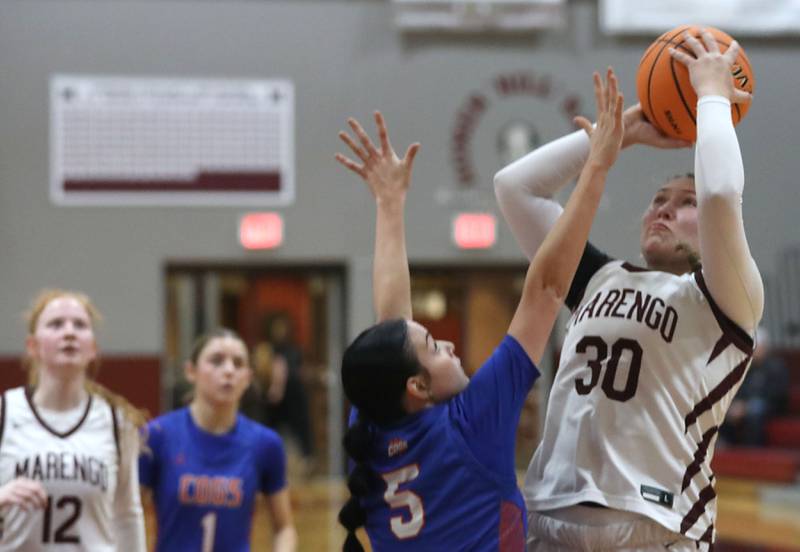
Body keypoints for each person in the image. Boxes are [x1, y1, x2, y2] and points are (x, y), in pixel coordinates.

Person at [334, 68, 625, 551]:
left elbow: (392, 322)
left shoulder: (370, 426)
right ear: (417, 386)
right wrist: (594, 170)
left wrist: (390, 204)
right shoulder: (469, 423)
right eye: (434, 347)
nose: (447, 345)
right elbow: (549, 287)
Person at [494, 30, 764, 550]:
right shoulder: (596, 276)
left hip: (658, 524)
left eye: (682, 202)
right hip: (551, 513)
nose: (664, 207)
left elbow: (722, 193)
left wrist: (710, 95)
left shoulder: (727, 297)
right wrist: (624, 132)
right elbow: (515, 186)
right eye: (658, 198)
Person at [0, 289, 147, 551]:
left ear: (93, 348)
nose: (69, 332)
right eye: (56, 324)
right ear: (32, 346)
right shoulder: (5, 412)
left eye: (79, 325)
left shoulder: (116, 423)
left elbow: (128, 516)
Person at [138, 328, 297, 552]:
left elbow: (284, 528)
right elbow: (124, 517)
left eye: (238, 363)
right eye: (217, 361)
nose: (229, 370)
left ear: (248, 378)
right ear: (191, 371)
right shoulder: (156, 435)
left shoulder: (266, 444)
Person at [720, 327, 790, 446]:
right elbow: (740, 389)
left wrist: (747, 407)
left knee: (754, 415)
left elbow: (777, 394)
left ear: (764, 348)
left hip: (771, 405)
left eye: (755, 347)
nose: (751, 350)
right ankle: (727, 447)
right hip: (748, 404)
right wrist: (737, 404)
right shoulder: (748, 367)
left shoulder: (776, 367)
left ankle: (752, 451)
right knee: (726, 411)